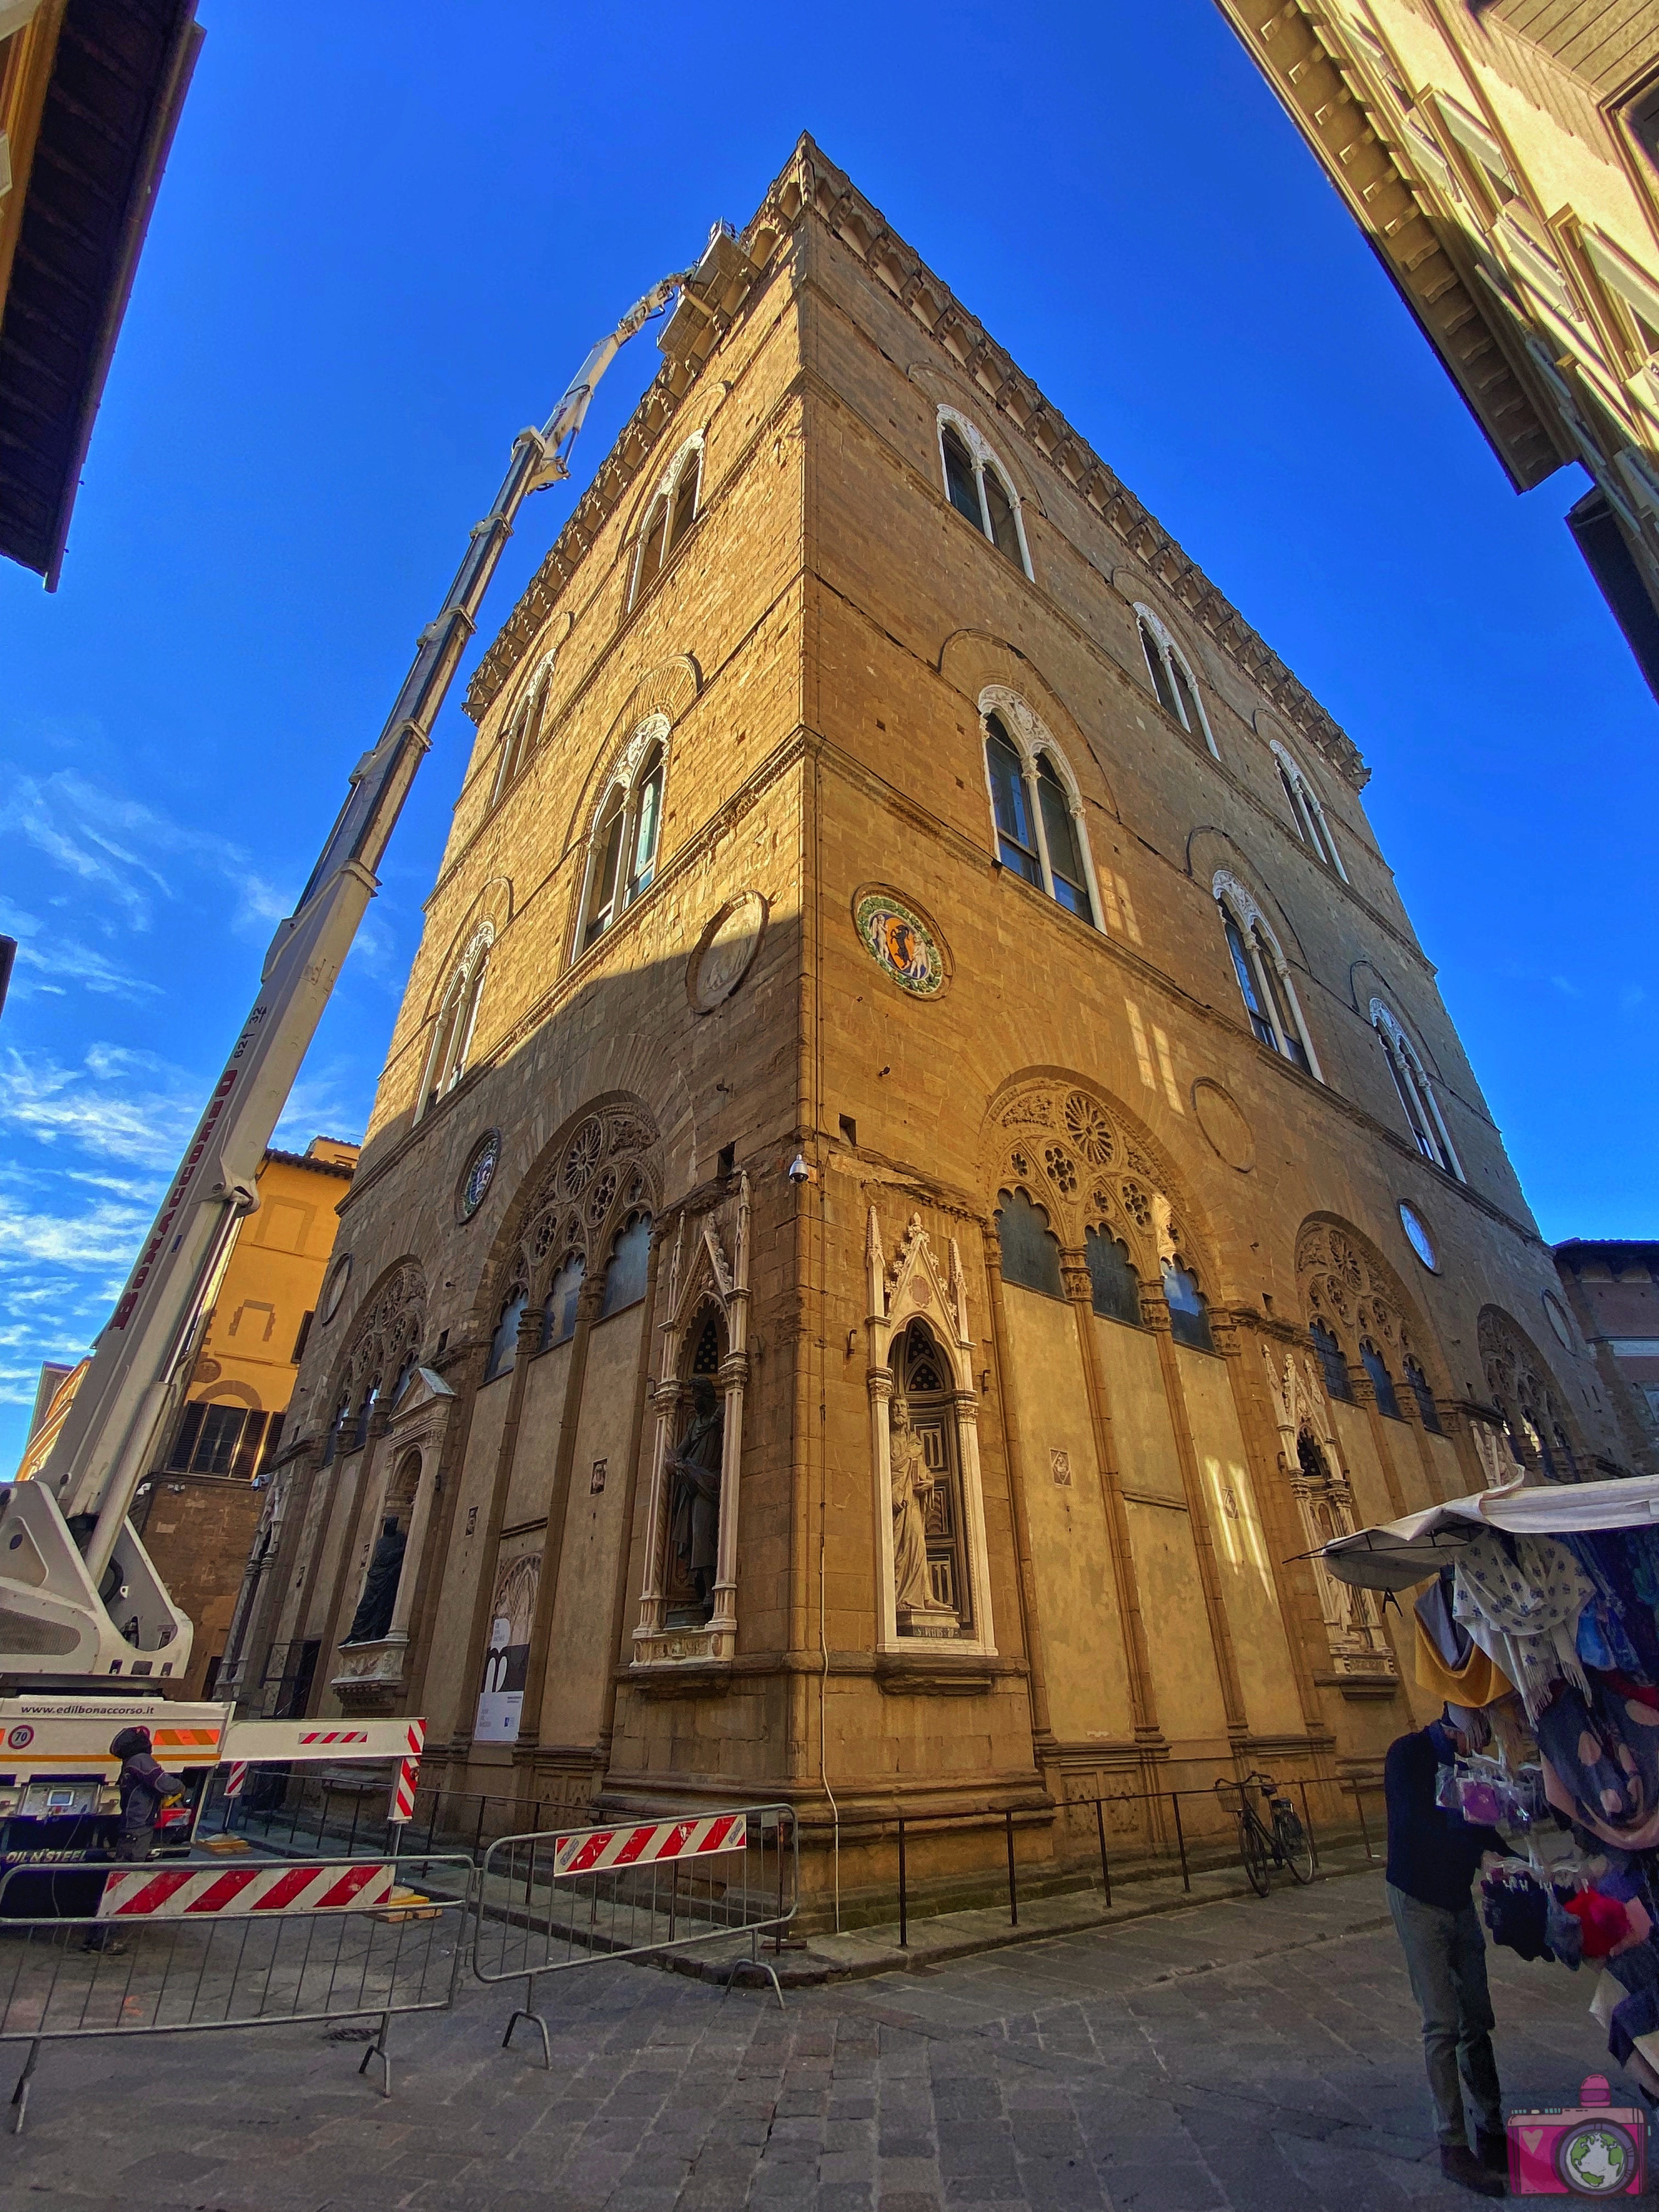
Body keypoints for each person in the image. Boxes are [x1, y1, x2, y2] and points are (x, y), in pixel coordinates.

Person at [1384, 1702, 1512, 2197]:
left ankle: (1492, 2128)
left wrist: (1520, 1864)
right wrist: (1477, 1848)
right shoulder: (1408, 1755)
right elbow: (1416, 1826)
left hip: (1458, 1900)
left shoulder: (1470, 1768)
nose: (1486, 1742)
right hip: (1417, 1899)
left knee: (1477, 2018)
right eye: (1481, 1731)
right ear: (1460, 1728)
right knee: (1442, 2023)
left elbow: (1485, 1830)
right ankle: (1453, 2145)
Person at [82, 1725, 185, 1954]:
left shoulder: (130, 1762)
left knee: (118, 1885)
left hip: (131, 1828)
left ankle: (94, 1938)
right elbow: (164, 1783)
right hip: (137, 1831)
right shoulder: (141, 1760)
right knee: (122, 1887)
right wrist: (180, 1786)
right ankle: (103, 1941)